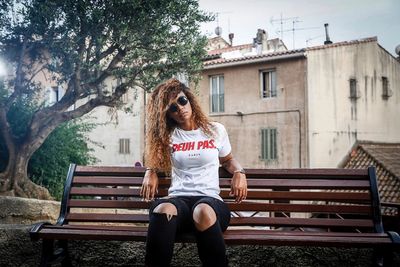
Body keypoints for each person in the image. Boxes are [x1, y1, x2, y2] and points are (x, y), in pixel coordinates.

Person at [140, 78, 247, 267]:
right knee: (162, 209)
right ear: (168, 115)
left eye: (182, 101)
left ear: (189, 99)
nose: (180, 109)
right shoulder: (168, 137)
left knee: (202, 211)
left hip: (210, 201)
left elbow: (228, 160)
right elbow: (154, 161)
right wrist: (150, 171)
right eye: (172, 108)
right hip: (179, 201)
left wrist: (239, 172)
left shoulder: (215, 130)